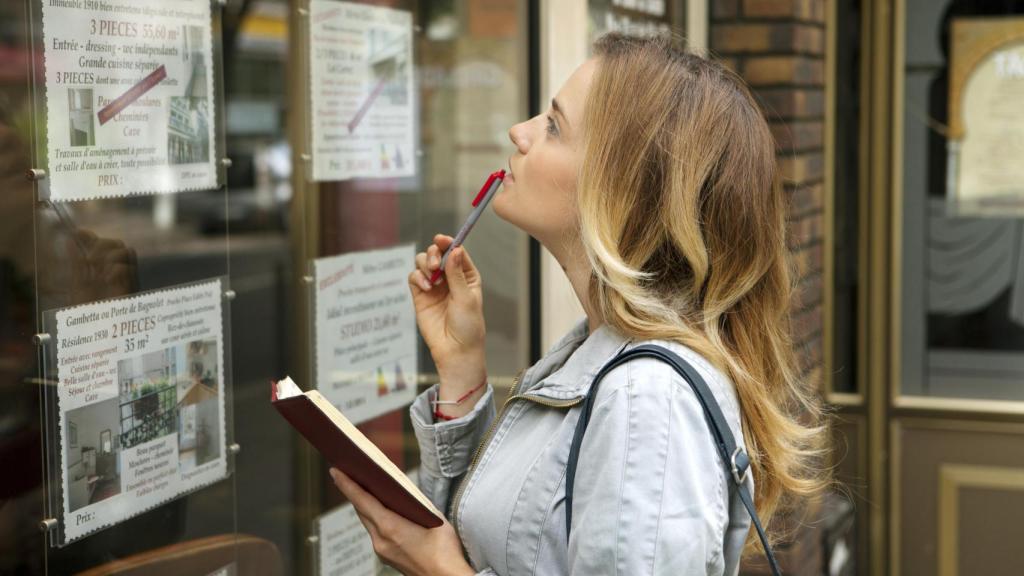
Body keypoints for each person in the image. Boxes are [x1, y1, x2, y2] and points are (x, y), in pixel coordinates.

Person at [330, 33, 828, 575]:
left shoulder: (646, 399)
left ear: (622, 188)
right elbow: (491, 541)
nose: (519, 133)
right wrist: (461, 367)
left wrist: (437, 570)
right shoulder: (595, 351)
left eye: (553, 126)